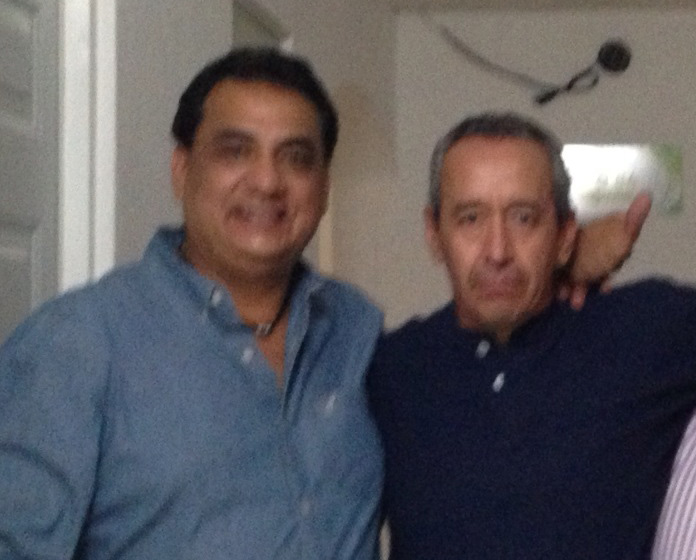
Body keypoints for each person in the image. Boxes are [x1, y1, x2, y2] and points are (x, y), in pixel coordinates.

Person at [0, 48, 645, 559]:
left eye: (296, 157)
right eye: (235, 150)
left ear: (324, 185)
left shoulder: (356, 331)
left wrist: (553, 269)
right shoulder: (75, 345)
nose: (267, 181)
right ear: (181, 169)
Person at [368, 112, 696, 560]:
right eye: (470, 218)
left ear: (564, 234)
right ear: (434, 233)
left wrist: (577, 260)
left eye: (524, 218)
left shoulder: (646, 332)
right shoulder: (392, 369)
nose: (497, 251)